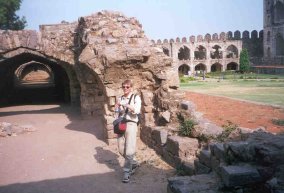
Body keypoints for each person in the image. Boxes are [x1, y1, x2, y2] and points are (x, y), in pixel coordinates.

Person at [115, 79, 141, 183]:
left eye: (127, 87)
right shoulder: (120, 98)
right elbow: (118, 112)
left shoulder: (136, 97)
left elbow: (136, 110)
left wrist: (125, 104)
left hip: (131, 123)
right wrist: (117, 109)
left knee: (130, 149)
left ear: (131, 88)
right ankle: (134, 163)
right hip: (122, 124)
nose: (125, 88)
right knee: (121, 149)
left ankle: (127, 172)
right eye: (124, 86)